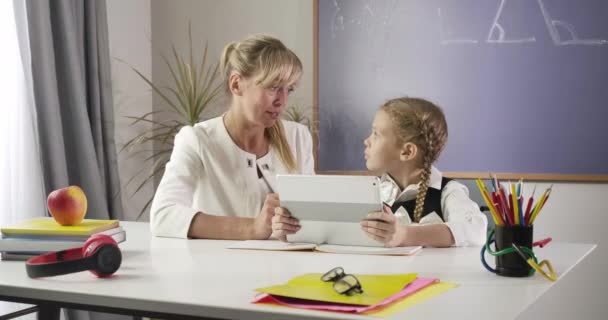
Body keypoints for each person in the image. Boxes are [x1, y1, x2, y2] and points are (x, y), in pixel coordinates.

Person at [150, 34, 314, 239]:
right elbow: (163, 216)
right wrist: (252, 228)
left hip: (287, 267)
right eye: (273, 87)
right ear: (236, 84)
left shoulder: (298, 136)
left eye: (288, 89)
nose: (282, 101)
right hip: (219, 267)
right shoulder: (197, 140)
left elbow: (312, 220)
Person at [272, 97, 487, 247]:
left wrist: (404, 235)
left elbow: (474, 230)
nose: (367, 141)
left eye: (376, 134)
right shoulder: (368, 192)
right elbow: (331, 233)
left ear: (406, 151)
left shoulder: (448, 192)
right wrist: (289, 230)